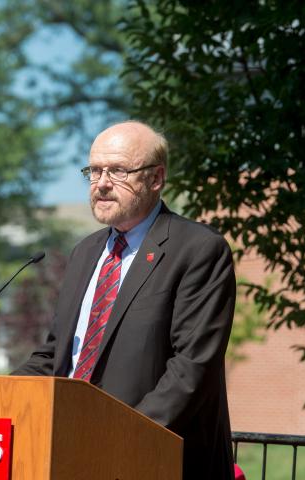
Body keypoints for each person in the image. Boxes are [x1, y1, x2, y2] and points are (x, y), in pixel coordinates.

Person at [12, 121, 236, 480]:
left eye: (117, 171)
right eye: (94, 171)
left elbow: (191, 367)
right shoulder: (85, 252)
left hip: (150, 458)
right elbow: (57, 356)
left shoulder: (197, 250)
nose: (101, 183)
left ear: (156, 178)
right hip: (69, 450)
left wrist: (121, 436)